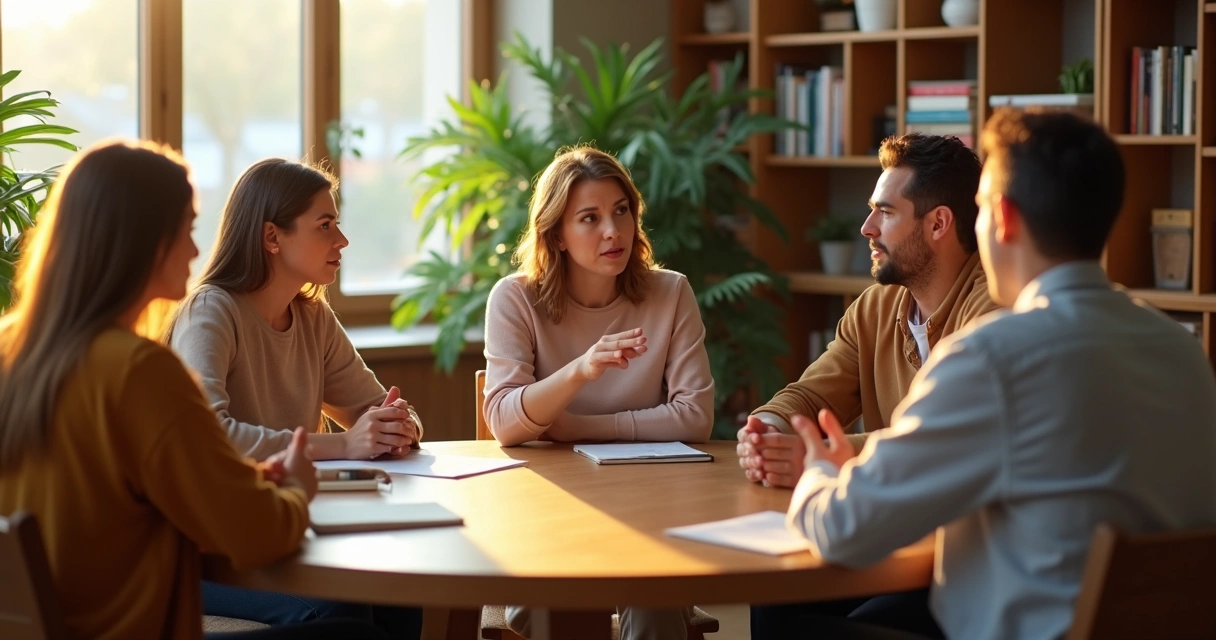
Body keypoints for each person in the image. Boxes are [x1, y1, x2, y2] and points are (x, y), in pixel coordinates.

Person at [761, 109, 1216, 639]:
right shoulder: (1182, 352)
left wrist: (821, 471)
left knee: (778, 608)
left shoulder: (993, 358)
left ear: (1002, 217)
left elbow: (843, 530)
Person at [0, 139, 388, 640]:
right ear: (140, 243)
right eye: (184, 230)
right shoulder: (139, 372)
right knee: (357, 635)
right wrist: (294, 485)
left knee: (389, 611)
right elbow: (251, 531)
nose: (193, 250)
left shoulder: (13, 350)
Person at [165, 158, 423, 637]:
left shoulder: (311, 316)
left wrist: (398, 424)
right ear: (272, 237)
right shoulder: (211, 311)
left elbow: (370, 408)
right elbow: (210, 435)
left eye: (338, 225)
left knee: (400, 590)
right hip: (203, 549)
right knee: (339, 615)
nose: (341, 240)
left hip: (284, 529)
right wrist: (346, 445)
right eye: (325, 226)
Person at [483, 146, 713, 639]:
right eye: (589, 218)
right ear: (557, 235)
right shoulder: (515, 298)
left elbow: (695, 416)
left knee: (655, 605)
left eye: (622, 211)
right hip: (548, 521)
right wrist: (580, 371)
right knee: (558, 612)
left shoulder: (670, 293)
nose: (613, 231)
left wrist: (577, 427)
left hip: (651, 516)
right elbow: (503, 421)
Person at [737, 133, 998, 489]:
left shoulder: (993, 310)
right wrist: (766, 430)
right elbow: (812, 396)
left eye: (886, 212)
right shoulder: (874, 307)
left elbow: (946, 440)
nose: (867, 228)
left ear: (938, 223)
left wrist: (824, 455)